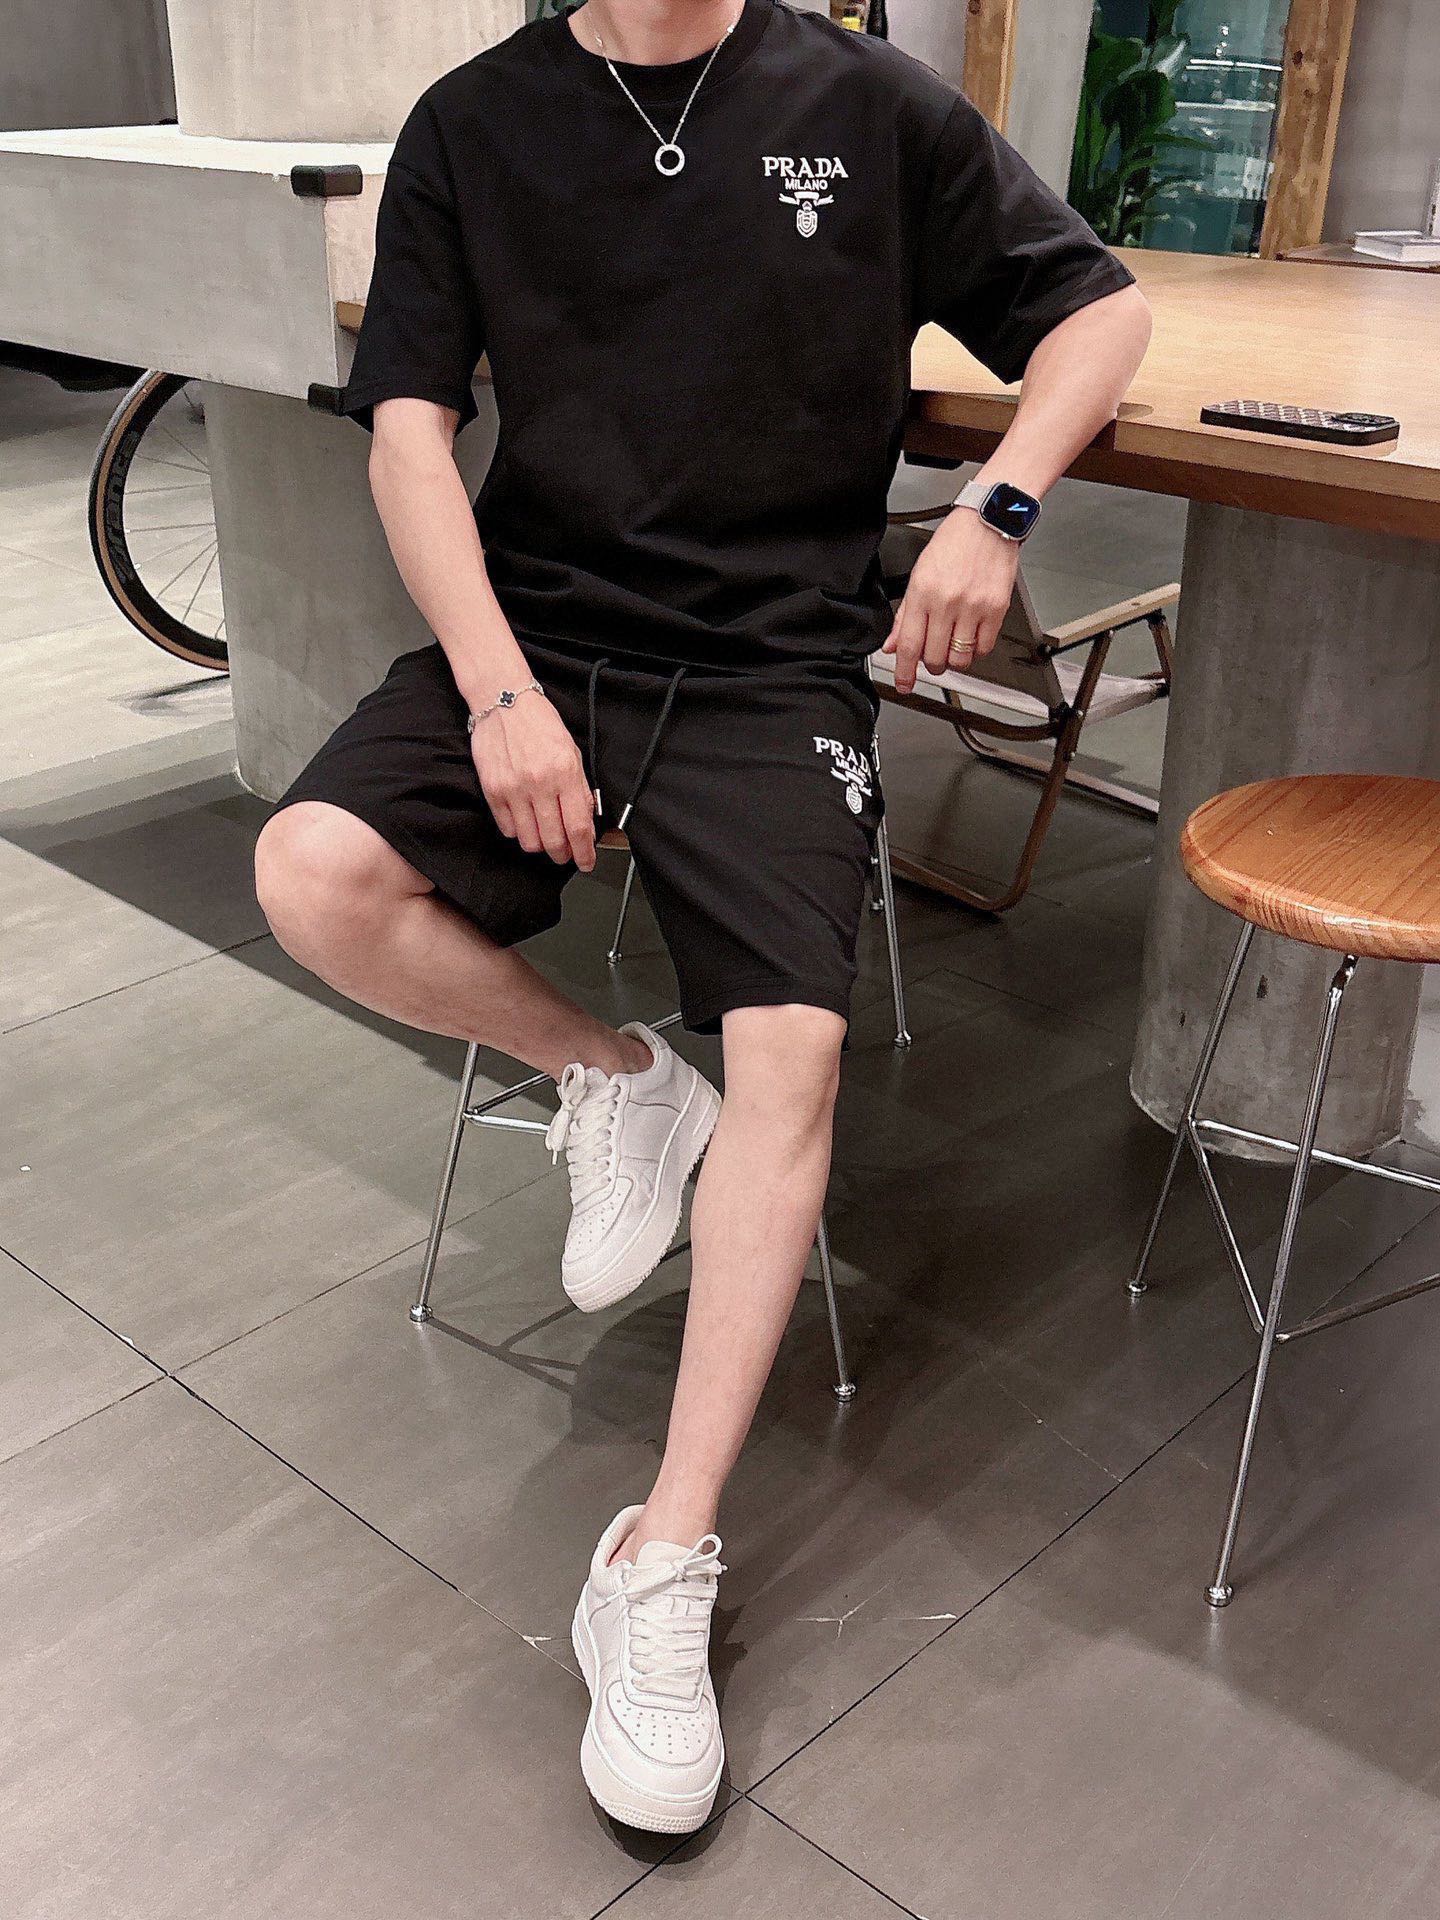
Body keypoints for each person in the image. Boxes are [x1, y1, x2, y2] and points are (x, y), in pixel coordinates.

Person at [253, 0, 1152, 1836]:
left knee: (796, 1060)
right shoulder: (475, 123)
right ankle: (616, 1077)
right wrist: (498, 693)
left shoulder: (872, 104)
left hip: (769, 665)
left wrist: (994, 509)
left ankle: (658, 1561)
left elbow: (1102, 312)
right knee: (311, 872)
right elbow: (410, 439)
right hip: (543, 639)